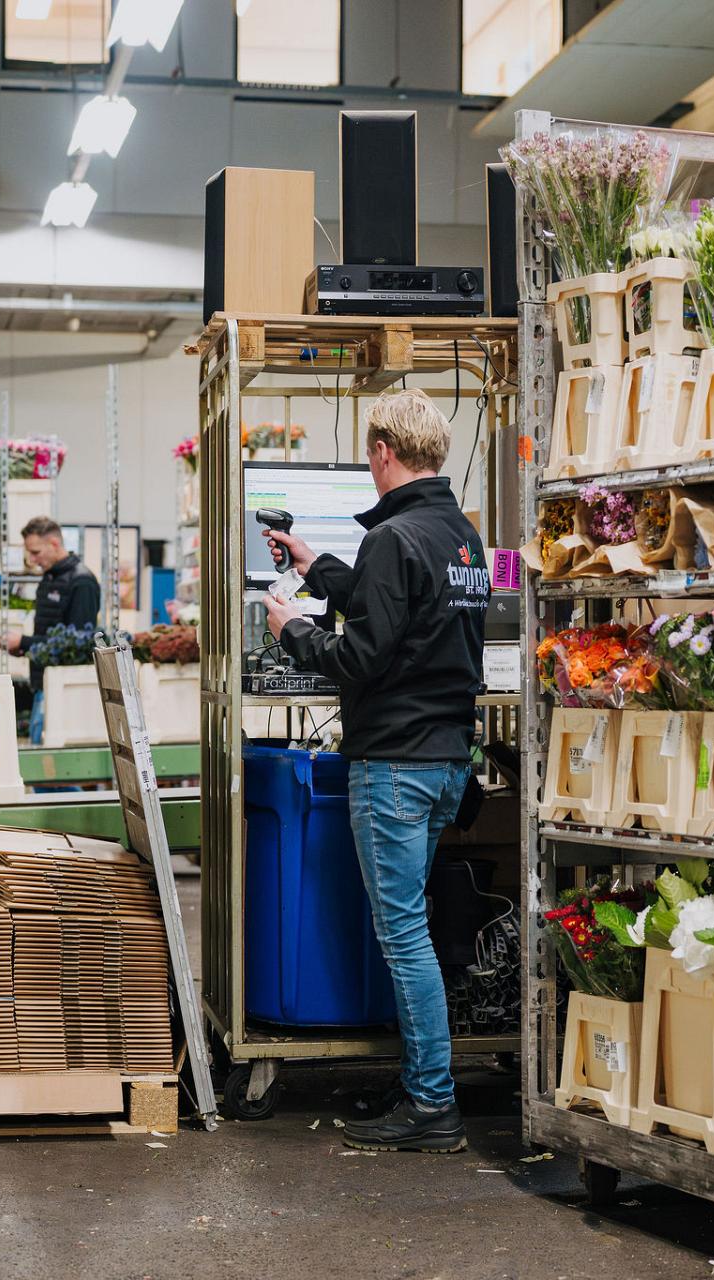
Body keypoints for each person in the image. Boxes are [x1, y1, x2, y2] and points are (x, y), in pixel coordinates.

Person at [261, 388, 490, 1155]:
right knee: (411, 929)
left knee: (402, 936)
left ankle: (432, 1105)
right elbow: (399, 612)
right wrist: (317, 566)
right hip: (445, 760)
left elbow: (361, 655)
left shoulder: (396, 537)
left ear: (382, 454)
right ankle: (422, 1082)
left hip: (393, 763)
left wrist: (294, 630)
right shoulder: (459, 537)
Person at [0, 516, 100, 741]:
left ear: (54, 544)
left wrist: (24, 642)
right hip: (43, 682)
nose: (32, 560)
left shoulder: (82, 582)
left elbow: (78, 642)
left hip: (63, 690)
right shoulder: (50, 579)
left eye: (36, 552)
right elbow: (51, 635)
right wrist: (23, 648)